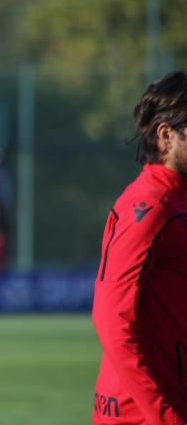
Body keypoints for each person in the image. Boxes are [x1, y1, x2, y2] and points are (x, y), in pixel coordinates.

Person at [92, 70, 187, 425]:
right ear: (166, 136)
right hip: (143, 416)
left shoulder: (177, 199)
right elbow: (112, 320)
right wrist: (166, 416)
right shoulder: (150, 207)